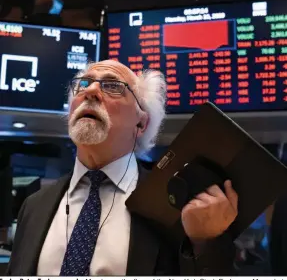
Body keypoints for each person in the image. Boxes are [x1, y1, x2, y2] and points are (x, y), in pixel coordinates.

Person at [7, 60, 238, 276]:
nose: (90, 92)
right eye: (84, 84)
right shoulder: (34, 205)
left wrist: (206, 242)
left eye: (112, 86)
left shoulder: (175, 203)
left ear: (141, 123)